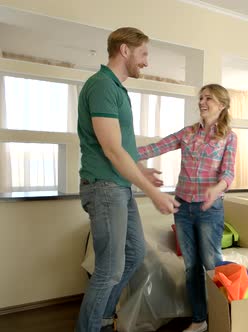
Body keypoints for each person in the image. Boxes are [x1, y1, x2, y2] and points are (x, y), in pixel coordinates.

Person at [76, 27, 179, 332]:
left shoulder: (116, 88)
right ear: (124, 50)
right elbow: (110, 149)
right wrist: (153, 192)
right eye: (144, 53)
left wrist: (140, 170)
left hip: (118, 187)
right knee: (109, 270)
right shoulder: (102, 86)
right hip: (105, 188)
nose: (146, 62)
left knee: (133, 253)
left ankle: (103, 319)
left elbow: (120, 148)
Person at [137, 83, 237, 332]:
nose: (202, 102)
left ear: (221, 105)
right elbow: (158, 147)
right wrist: (123, 152)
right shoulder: (188, 132)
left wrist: (218, 188)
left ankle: (227, 313)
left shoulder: (229, 137)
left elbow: (228, 172)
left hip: (208, 210)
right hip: (182, 207)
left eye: (209, 98)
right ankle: (200, 319)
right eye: (201, 98)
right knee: (191, 266)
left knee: (212, 262)